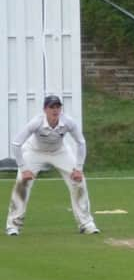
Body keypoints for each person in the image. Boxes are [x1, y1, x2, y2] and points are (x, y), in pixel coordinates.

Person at [5, 95, 99, 236]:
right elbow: (16, 144)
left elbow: (81, 143)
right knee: (22, 183)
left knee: (78, 181)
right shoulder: (36, 122)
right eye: (51, 107)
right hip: (34, 152)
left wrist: (79, 169)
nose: (55, 110)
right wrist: (24, 169)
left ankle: (86, 224)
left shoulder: (68, 122)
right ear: (45, 109)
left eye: (57, 107)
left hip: (59, 152)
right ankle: (13, 226)